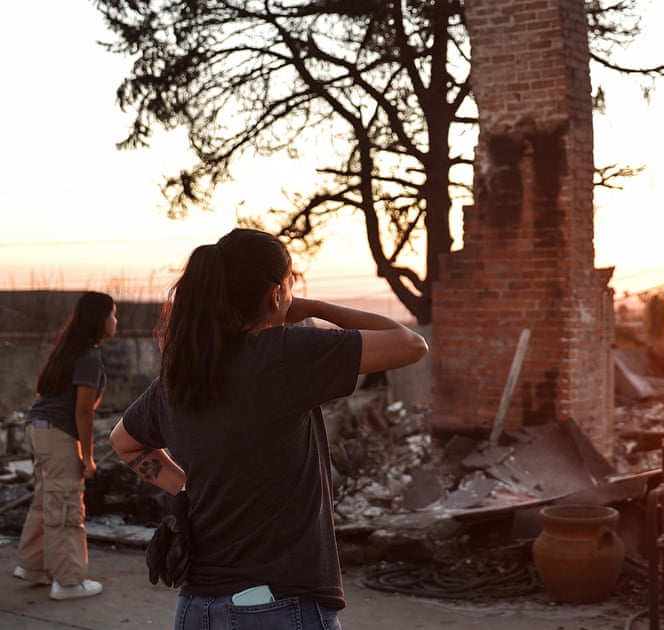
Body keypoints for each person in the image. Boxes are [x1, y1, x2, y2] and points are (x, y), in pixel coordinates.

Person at [109, 227, 427, 629]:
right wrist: (311, 306)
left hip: (196, 609)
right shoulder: (284, 356)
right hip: (277, 606)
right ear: (276, 292)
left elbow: (123, 442)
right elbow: (410, 343)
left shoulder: (181, 375)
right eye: (289, 283)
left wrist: (188, 488)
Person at [13, 291, 118, 600]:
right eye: (113, 314)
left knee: (47, 498)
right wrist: (87, 458)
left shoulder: (67, 351)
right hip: (57, 433)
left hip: (39, 429)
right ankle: (68, 581)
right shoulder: (88, 357)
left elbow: (44, 397)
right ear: (100, 320)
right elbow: (83, 412)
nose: (116, 320)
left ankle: (34, 566)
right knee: (67, 503)